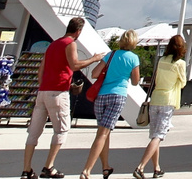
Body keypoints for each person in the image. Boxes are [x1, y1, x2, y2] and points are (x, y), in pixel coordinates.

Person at [24, 16, 99, 179]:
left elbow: (41, 70)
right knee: (61, 130)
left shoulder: (53, 44)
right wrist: (94, 59)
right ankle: (48, 166)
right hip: (58, 92)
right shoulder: (70, 44)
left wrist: (43, 85)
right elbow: (75, 65)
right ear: (78, 31)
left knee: (33, 133)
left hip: (43, 91)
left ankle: (27, 169)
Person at [81, 30, 140, 179]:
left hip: (101, 96)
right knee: (103, 134)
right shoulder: (133, 58)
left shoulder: (111, 55)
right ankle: (86, 170)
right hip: (118, 96)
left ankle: (105, 166)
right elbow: (135, 81)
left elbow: (94, 74)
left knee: (103, 132)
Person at [134, 36, 186, 179]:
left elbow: (156, 79)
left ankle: (156, 168)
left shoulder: (161, 61)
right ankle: (140, 167)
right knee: (159, 136)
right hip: (168, 100)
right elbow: (183, 82)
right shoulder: (180, 63)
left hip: (155, 98)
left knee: (154, 135)